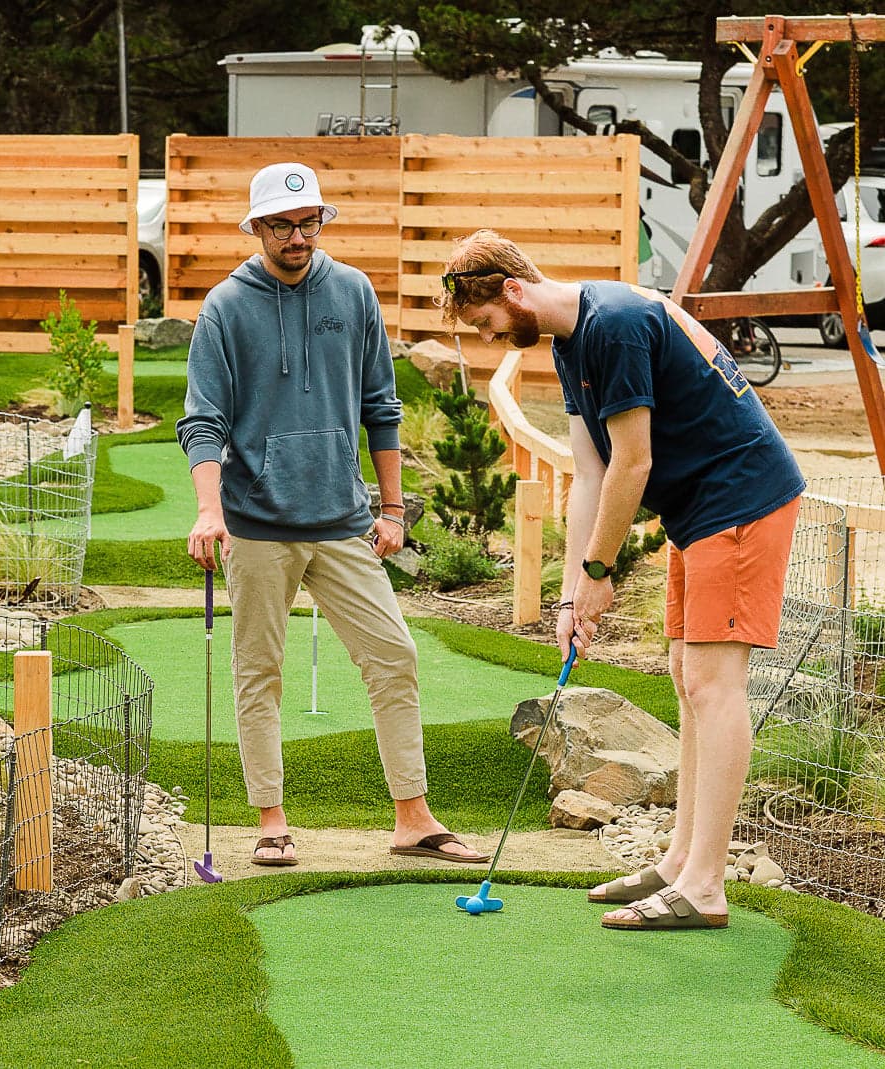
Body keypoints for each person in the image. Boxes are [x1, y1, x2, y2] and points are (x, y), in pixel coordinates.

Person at [437, 229, 804, 930]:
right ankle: (678, 863)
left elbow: (633, 464)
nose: (489, 336)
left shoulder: (616, 325)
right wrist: (574, 590)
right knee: (684, 672)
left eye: (486, 322)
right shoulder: (574, 341)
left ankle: (704, 886)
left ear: (512, 291)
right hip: (699, 510)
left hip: (741, 496)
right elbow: (592, 475)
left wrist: (603, 571)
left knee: (713, 684)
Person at [176, 162, 487, 868]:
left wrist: (394, 508)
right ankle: (271, 820)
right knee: (259, 670)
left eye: (308, 221)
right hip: (255, 524)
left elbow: (382, 405)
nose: (297, 235)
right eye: (282, 224)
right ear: (256, 226)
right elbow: (202, 423)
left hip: (343, 520)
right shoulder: (226, 306)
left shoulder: (351, 292)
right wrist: (208, 510)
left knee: (394, 656)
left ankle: (413, 817)